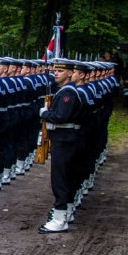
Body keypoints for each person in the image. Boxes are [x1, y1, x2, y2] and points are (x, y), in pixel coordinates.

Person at [38, 60, 85, 232]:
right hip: (65, 138)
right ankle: (64, 213)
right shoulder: (66, 91)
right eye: (55, 70)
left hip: (65, 139)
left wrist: (45, 114)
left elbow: (60, 117)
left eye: (60, 71)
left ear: (70, 73)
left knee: (61, 178)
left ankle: (59, 219)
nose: (56, 73)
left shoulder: (68, 93)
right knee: (64, 177)